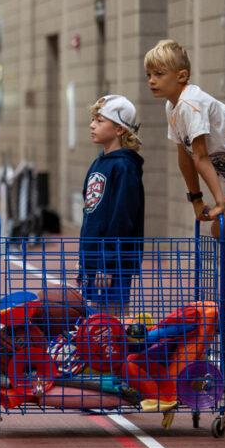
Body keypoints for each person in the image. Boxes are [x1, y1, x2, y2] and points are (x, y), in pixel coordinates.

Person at [146, 39, 225, 334]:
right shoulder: (173, 107)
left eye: (159, 74)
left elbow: (202, 157)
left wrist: (218, 201)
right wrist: (196, 199)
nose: (152, 81)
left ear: (181, 76)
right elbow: (185, 158)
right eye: (149, 75)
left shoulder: (191, 103)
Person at [76, 95, 145, 317]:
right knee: (93, 321)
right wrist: (83, 258)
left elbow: (122, 220)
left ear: (119, 129)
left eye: (99, 120)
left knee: (112, 320)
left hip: (114, 263)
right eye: (93, 119)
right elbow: (90, 215)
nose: (92, 125)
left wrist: (108, 265)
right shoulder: (98, 163)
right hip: (93, 259)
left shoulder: (125, 167)